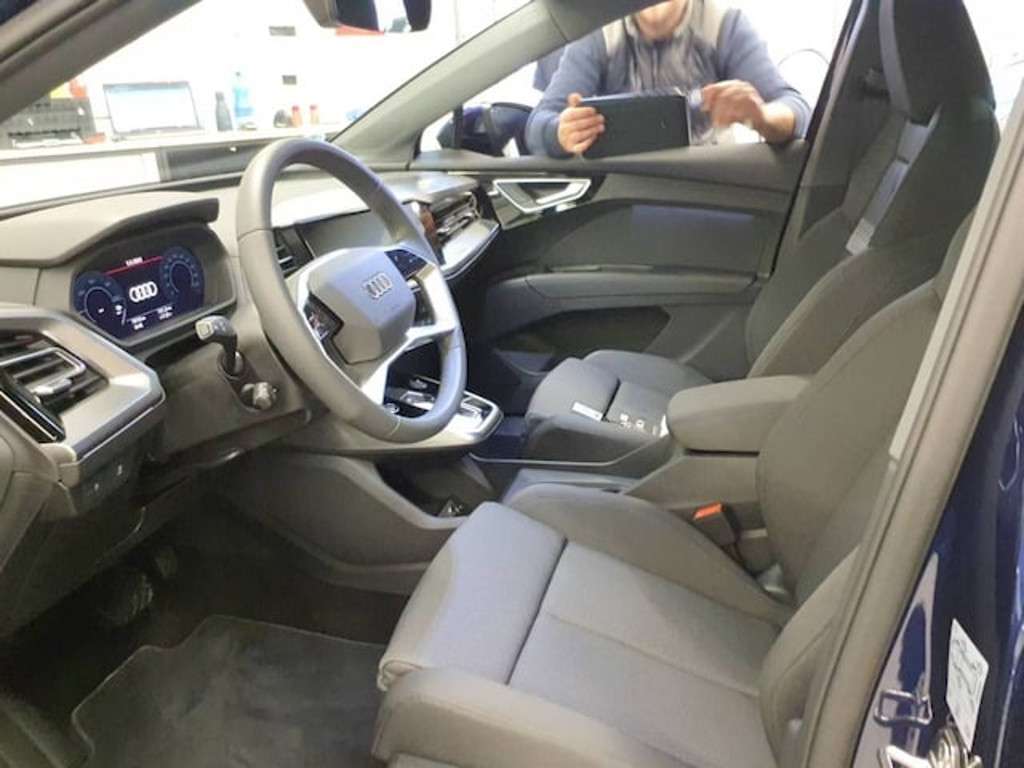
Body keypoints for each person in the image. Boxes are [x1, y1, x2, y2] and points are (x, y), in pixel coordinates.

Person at [526, 0, 812, 157]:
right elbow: (538, 124)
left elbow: (797, 110)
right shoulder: (598, 34)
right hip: (623, 192)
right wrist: (561, 132)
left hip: (708, 187)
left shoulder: (724, 25)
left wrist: (762, 116)